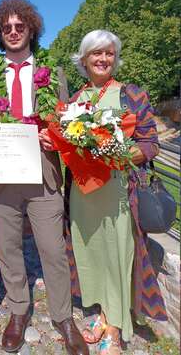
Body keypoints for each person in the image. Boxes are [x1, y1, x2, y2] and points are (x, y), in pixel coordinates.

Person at [0, 0, 88, 355]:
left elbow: (67, 122)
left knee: (52, 249)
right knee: (8, 249)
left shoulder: (53, 72)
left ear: (31, 29)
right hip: (0, 175)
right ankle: (18, 311)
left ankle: (63, 317)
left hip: (44, 171)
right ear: (0, 32)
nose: (14, 32)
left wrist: (55, 137)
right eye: (7, 27)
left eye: (20, 26)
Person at [65, 30, 167, 354]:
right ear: (83, 59)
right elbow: (68, 144)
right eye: (96, 53)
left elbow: (151, 144)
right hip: (83, 195)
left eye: (109, 53)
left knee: (118, 255)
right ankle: (98, 310)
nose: (103, 59)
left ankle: (116, 324)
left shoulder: (131, 95)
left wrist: (121, 153)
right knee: (89, 252)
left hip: (120, 194)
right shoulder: (74, 102)